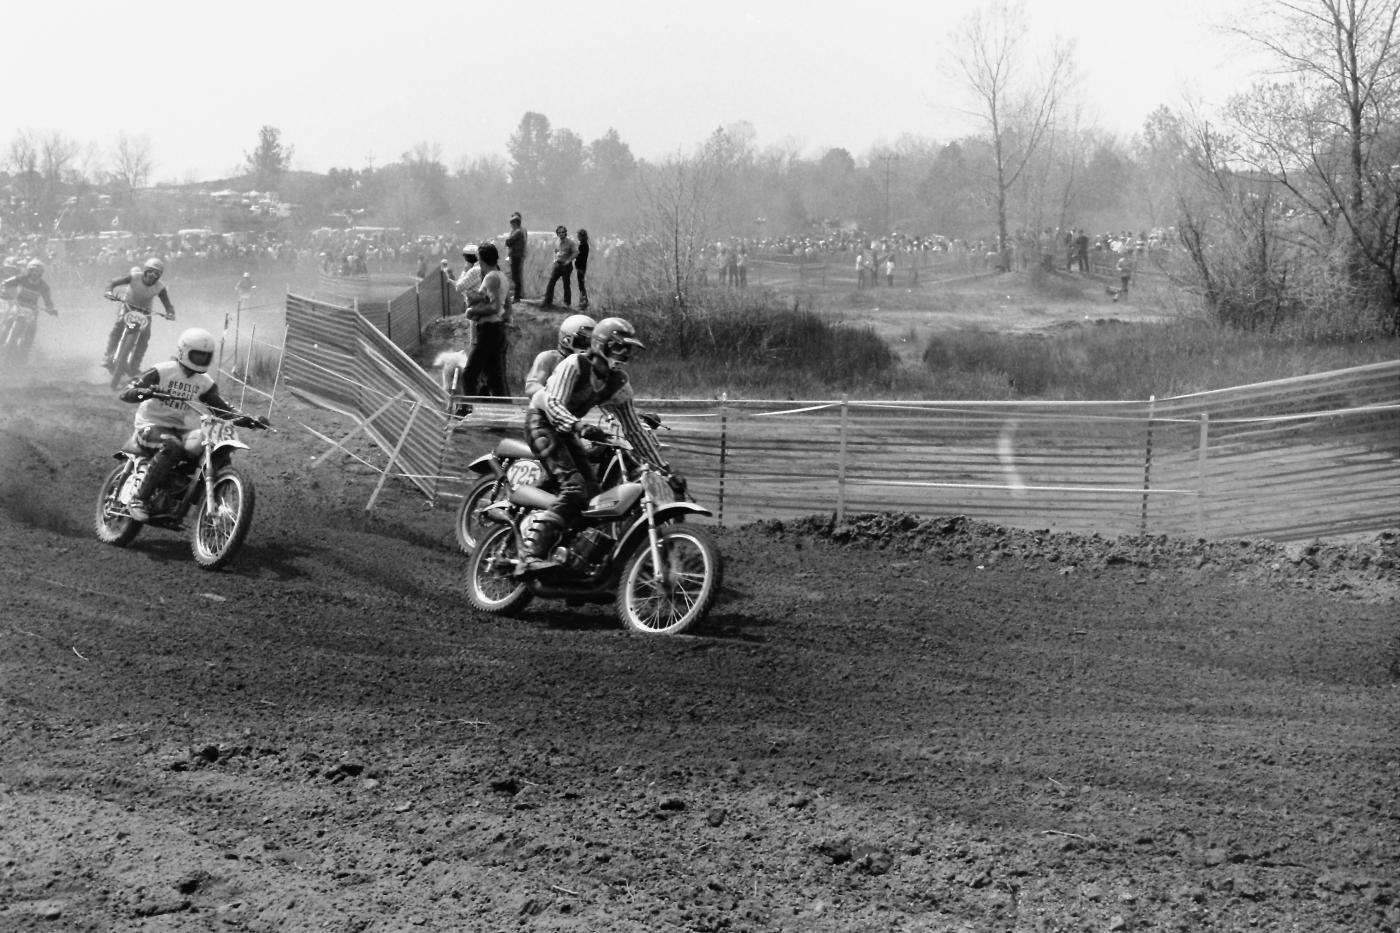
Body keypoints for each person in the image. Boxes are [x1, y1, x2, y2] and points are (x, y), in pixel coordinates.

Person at [520, 317, 679, 573]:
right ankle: (530, 555)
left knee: (593, 496)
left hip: (568, 430)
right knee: (574, 488)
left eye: (628, 350)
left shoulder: (618, 383)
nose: (625, 355)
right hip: (542, 423)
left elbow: (634, 430)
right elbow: (553, 404)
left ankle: (570, 554)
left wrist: (664, 470)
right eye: (619, 348)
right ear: (601, 345)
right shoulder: (573, 364)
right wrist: (578, 426)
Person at [116, 328, 259, 522]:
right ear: (184, 351)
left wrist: (247, 419)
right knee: (172, 445)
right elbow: (126, 392)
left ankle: (194, 495)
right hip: (149, 425)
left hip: (175, 428)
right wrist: (146, 392)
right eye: (197, 355)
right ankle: (138, 499)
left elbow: (221, 409)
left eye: (205, 356)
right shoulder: (162, 370)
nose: (201, 360)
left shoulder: (204, 382)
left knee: (211, 443)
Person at [102, 257, 175, 371]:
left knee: (145, 337)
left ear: (159, 276)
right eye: (150, 271)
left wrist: (170, 313)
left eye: (156, 274)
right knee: (119, 326)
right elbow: (113, 282)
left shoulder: (160, 287)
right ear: (144, 270)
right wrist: (108, 291)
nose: (152, 275)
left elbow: (168, 304)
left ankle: (134, 365)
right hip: (127, 306)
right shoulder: (134, 277)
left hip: (145, 312)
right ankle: (108, 355)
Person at [458, 242, 509, 398]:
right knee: (495, 377)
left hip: (488, 330)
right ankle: (504, 410)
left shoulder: (491, 277)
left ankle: (469, 409)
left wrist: (473, 311)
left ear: (481, 259)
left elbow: (493, 307)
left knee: (469, 375)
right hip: (496, 329)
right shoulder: (501, 275)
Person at [523, 313, 595, 397]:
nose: (588, 346)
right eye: (583, 341)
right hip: (548, 407)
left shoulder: (593, 363)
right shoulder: (548, 358)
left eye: (591, 341)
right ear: (567, 340)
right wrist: (556, 395)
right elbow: (531, 388)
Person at [0, 259, 59, 351]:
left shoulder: (44, 286)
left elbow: (48, 300)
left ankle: (25, 350)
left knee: (31, 330)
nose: (35, 273)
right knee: (7, 322)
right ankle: (2, 340)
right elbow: (5, 283)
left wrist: (51, 309)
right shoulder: (21, 278)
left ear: (41, 273)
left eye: (37, 271)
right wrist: (6, 293)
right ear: (29, 271)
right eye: (33, 271)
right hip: (18, 305)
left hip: (32, 309)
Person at [541, 225, 578, 309]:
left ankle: (567, 304)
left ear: (565, 233)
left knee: (566, 284)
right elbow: (556, 251)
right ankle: (547, 301)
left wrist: (569, 260)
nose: (561, 234)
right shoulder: (557, 241)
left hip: (566, 265)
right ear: (557, 234)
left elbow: (576, 252)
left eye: (563, 232)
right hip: (558, 264)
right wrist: (554, 260)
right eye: (559, 232)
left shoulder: (570, 242)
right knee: (551, 282)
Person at [505, 212, 527, 303]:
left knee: (516, 276)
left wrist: (508, 240)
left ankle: (517, 297)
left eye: (512, 223)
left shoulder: (518, 232)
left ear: (516, 223)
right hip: (516, 255)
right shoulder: (519, 231)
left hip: (516, 256)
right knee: (516, 276)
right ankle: (517, 295)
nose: (511, 225)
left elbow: (508, 242)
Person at [574, 229, 591, 311]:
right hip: (582, 267)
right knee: (581, 285)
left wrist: (579, 267)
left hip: (581, 267)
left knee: (581, 286)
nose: (577, 237)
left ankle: (584, 302)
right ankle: (584, 302)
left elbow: (581, 258)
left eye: (578, 235)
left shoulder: (582, 245)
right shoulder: (585, 244)